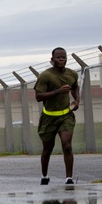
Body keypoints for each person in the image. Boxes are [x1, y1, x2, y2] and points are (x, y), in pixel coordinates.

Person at [35, 47, 80, 186]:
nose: (61, 59)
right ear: (52, 60)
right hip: (49, 117)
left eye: (64, 57)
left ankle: (69, 178)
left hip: (65, 116)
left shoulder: (72, 74)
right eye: (58, 57)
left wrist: (77, 100)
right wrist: (58, 91)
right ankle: (44, 175)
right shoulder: (45, 76)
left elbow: (75, 87)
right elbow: (38, 97)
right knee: (47, 149)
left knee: (67, 145)